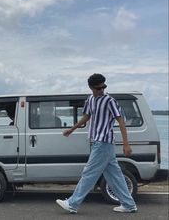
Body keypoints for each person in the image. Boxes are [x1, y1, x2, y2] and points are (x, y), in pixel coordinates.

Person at [56, 73, 137, 214]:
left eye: (103, 87)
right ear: (91, 88)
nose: (102, 90)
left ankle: (73, 203)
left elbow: (121, 121)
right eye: (99, 88)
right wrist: (72, 129)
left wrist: (126, 144)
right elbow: (86, 116)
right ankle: (129, 204)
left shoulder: (109, 101)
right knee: (114, 175)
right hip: (96, 141)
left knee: (89, 172)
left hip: (104, 141)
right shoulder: (90, 100)